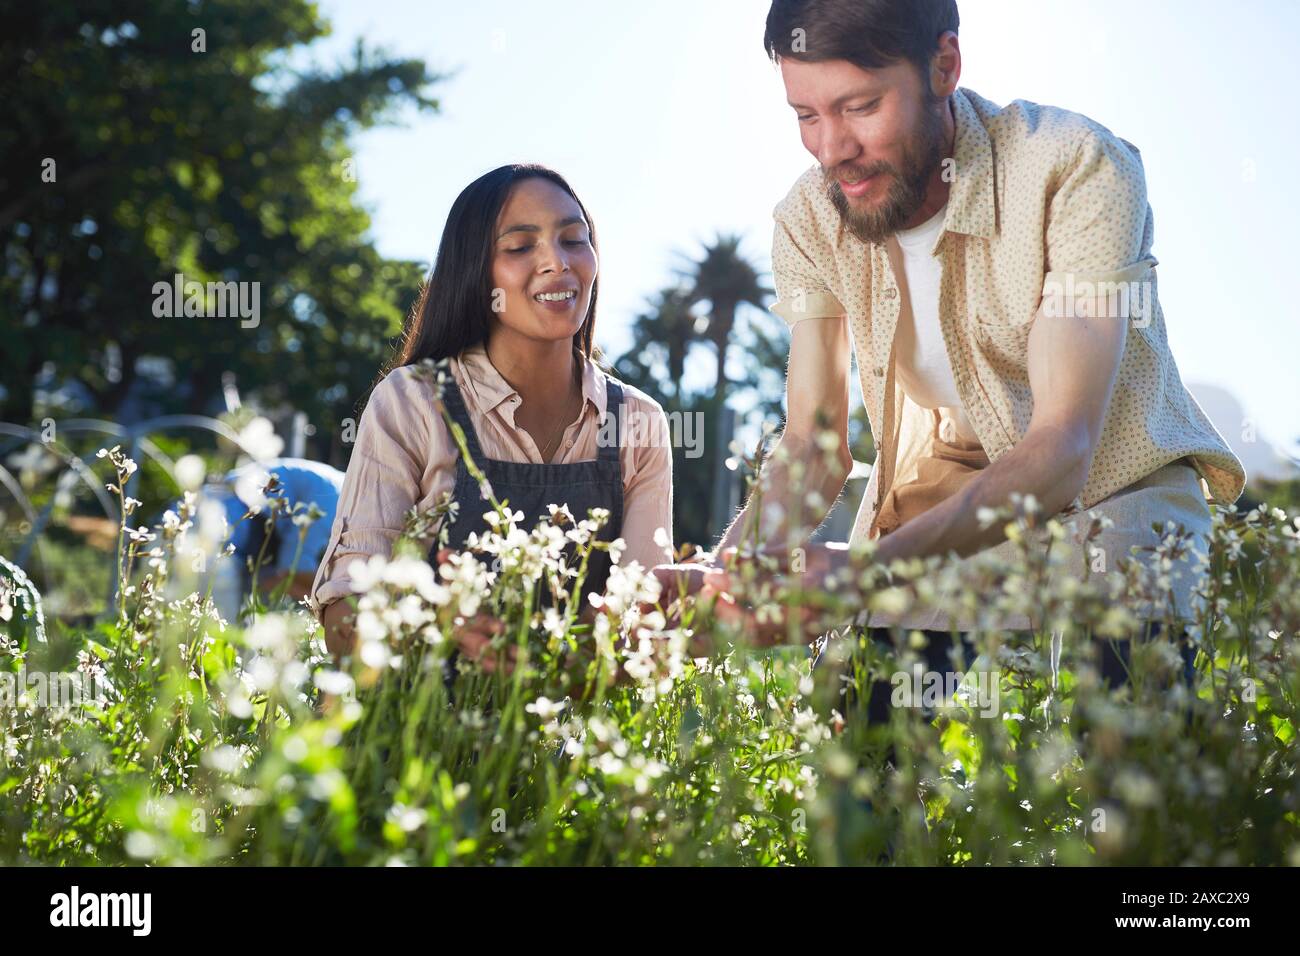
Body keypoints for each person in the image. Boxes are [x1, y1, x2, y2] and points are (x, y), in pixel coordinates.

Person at [658, 0, 1246, 666]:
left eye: (860, 107)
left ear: (944, 66)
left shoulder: (1078, 167)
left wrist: (865, 573)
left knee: (1129, 730)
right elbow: (814, 446)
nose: (832, 150)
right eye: (806, 116)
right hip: (945, 497)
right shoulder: (806, 220)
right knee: (862, 744)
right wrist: (722, 577)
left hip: (1114, 486)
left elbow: (1063, 444)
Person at [308, 164, 674, 660]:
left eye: (573, 239)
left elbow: (642, 619)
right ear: (477, 273)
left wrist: (621, 635)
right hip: (419, 726)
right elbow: (342, 617)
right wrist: (431, 622)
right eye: (521, 247)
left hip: (569, 729)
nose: (556, 262)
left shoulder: (639, 422)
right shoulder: (413, 402)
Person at [215, 457, 344, 605]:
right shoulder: (336, 502)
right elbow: (295, 568)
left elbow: (283, 577)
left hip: (238, 508)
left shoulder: (342, 486)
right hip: (234, 515)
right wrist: (341, 599)